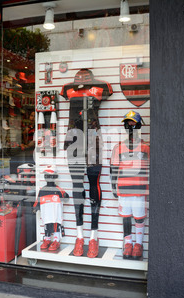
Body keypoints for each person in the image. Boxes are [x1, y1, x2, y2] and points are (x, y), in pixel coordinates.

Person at [60, 68, 113, 258]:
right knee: (76, 185)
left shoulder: (101, 87)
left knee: (93, 184)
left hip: (93, 140)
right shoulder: (67, 88)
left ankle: (94, 235)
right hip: (73, 139)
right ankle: (79, 235)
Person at [110, 111, 149, 260]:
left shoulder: (146, 148)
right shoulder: (118, 147)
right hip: (124, 189)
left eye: (133, 124)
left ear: (139, 126)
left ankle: (138, 244)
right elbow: (113, 168)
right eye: (128, 124)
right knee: (126, 217)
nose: (130, 127)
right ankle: (128, 243)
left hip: (139, 190)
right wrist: (114, 186)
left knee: (139, 217)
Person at [33, 166, 69, 251]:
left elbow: (66, 197)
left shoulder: (58, 189)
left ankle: (56, 240)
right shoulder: (42, 190)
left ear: (55, 177)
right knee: (47, 225)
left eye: (49, 175)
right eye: (46, 175)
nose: (47, 178)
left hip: (56, 214)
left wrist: (65, 196)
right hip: (46, 214)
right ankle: (47, 239)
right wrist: (35, 207)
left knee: (56, 225)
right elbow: (37, 200)